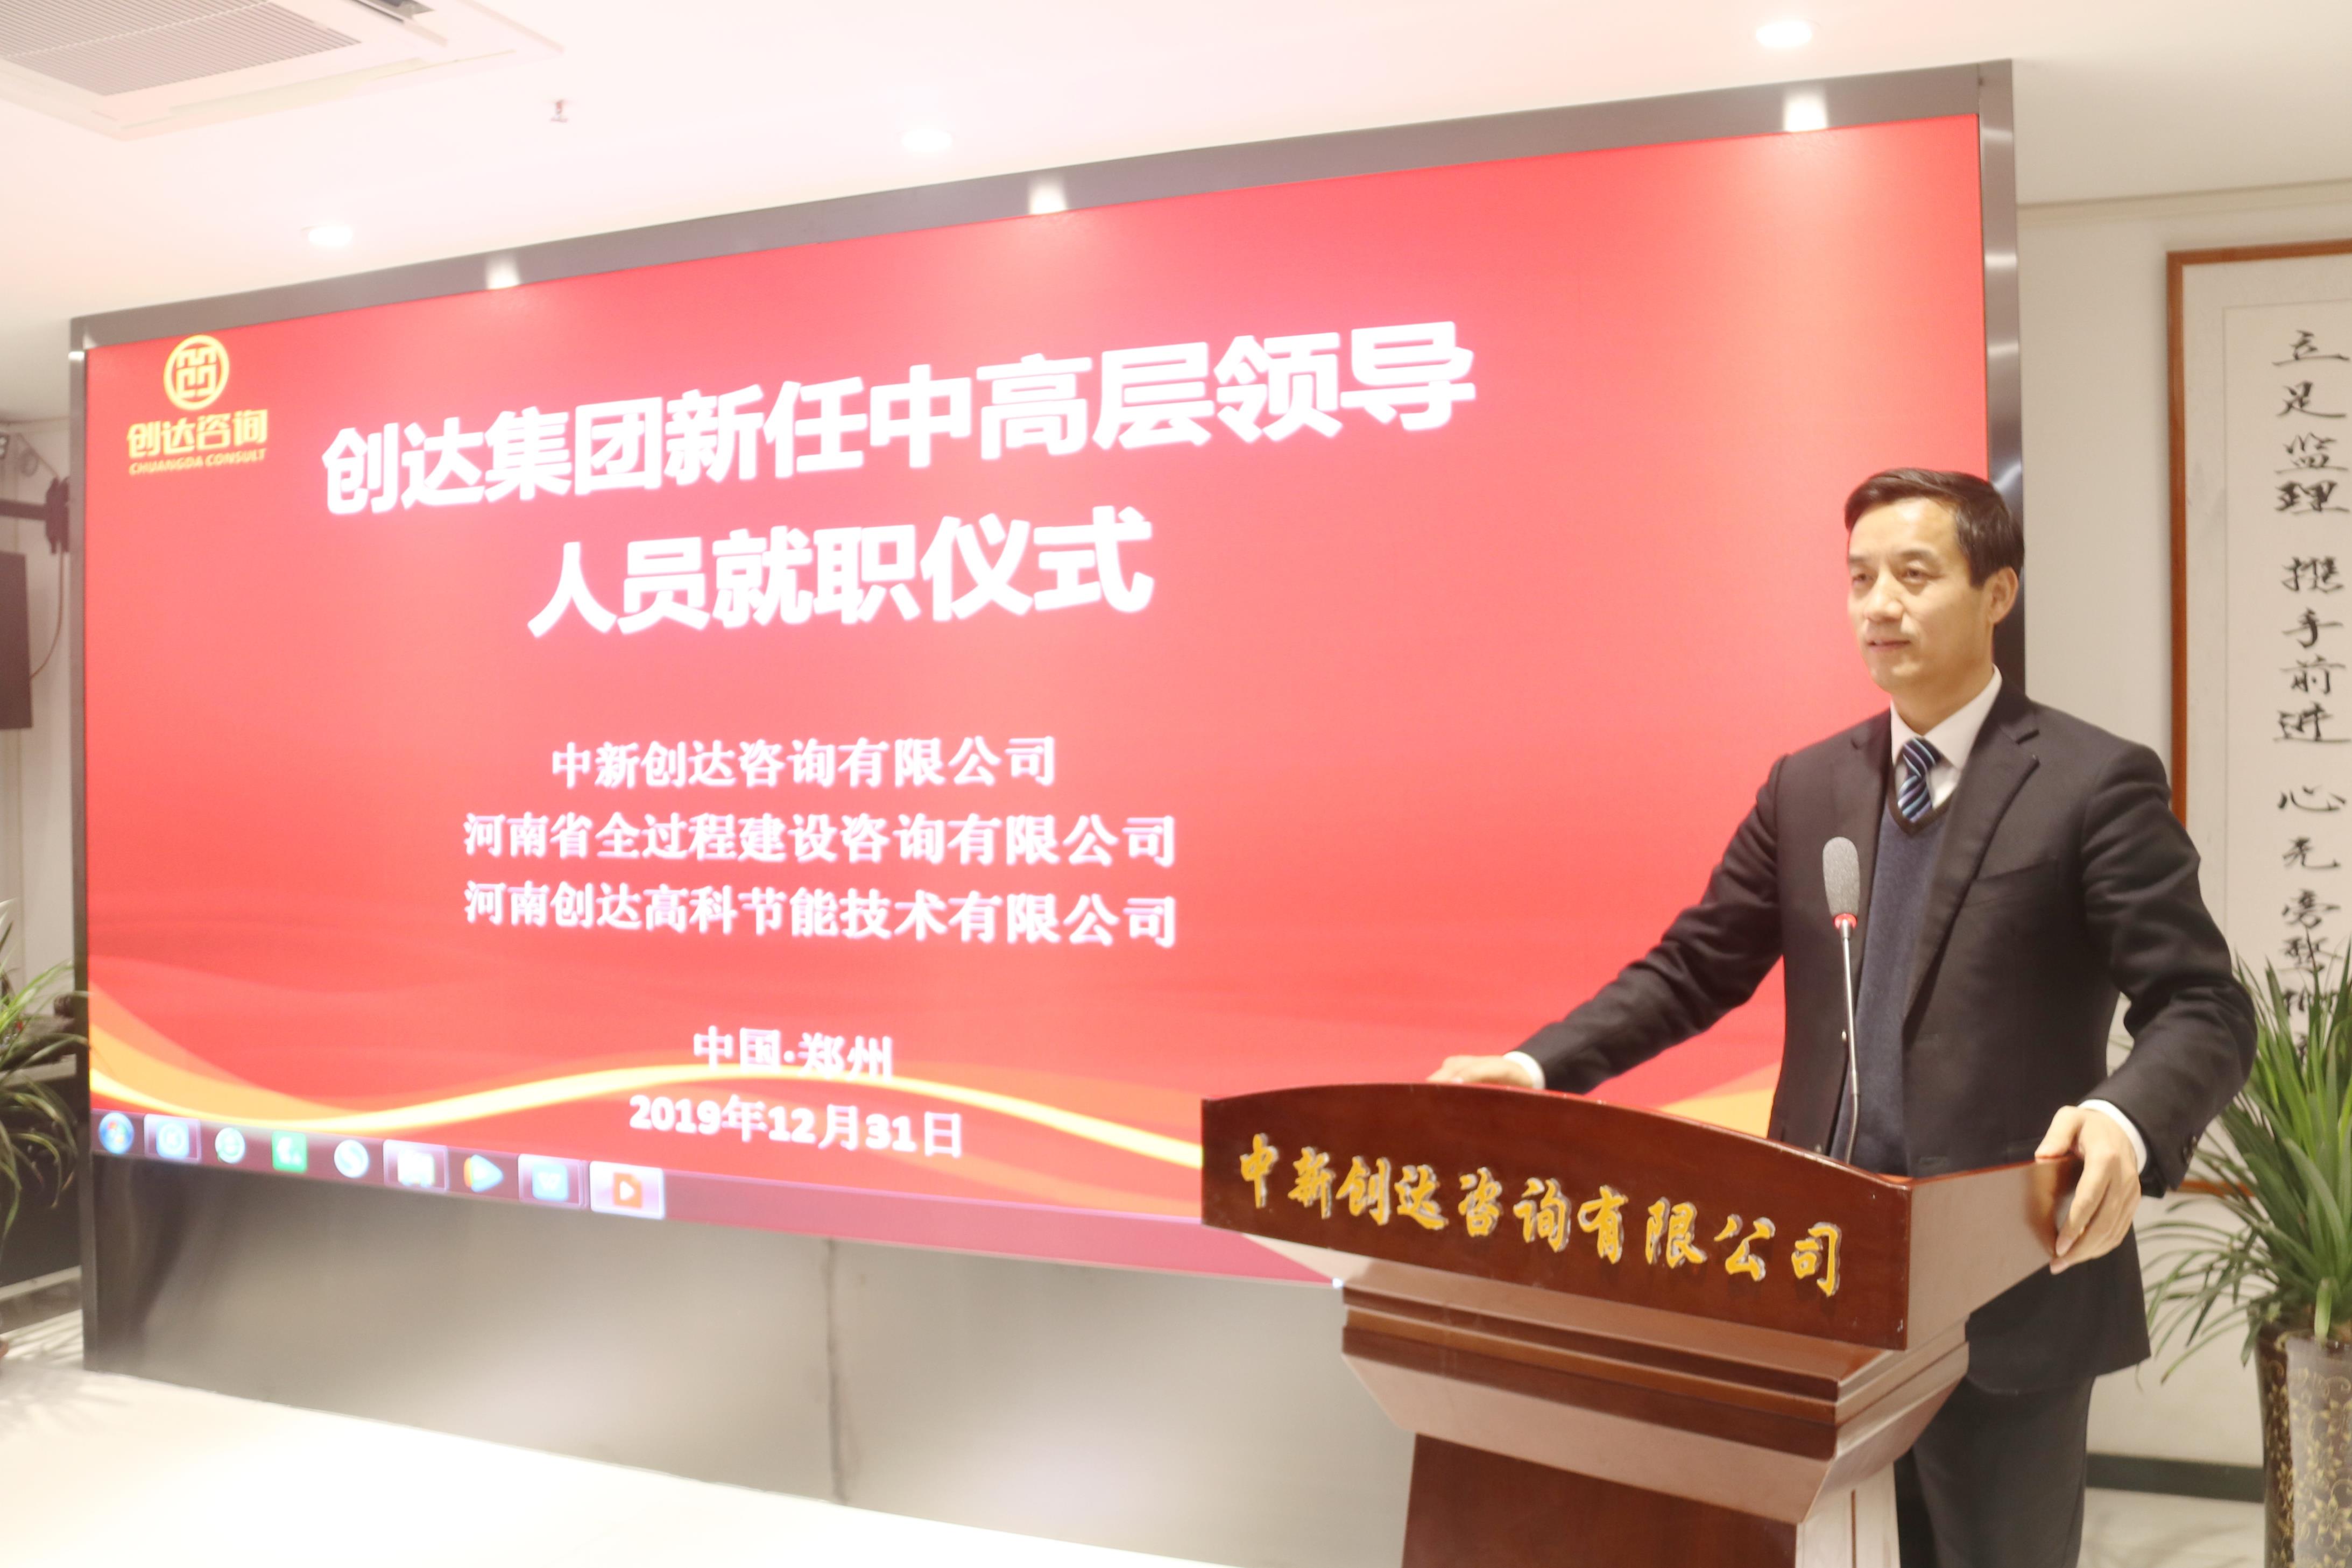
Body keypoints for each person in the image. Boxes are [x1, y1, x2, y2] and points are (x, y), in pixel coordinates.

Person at [1430, 468, 2254, 1567]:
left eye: (1913, 574)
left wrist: (2122, 1118)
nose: (1879, 605)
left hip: (2001, 1280)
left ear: (1996, 592)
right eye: (1860, 579)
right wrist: (1538, 1068)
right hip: (1816, 1277)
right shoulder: (1808, 784)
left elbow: (2202, 1002)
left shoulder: (2089, 781)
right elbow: (1692, 967)